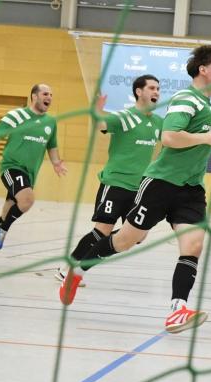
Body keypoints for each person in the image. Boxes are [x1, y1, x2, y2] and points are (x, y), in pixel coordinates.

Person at [59, 45, 211, 335]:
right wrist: (207, 138)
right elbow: (171, 137)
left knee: (194, 246)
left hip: (191, 189)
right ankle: (77, 271)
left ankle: (177, 309)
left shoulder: (205, 106)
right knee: (126, 240)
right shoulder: (186, 98)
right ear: (204, 69)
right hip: (161, 184)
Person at [57, 75, 163, 282]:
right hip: (116, 183)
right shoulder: (124, 117)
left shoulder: (159, 122)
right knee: (102, 230)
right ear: (139, 92)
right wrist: (96, 111)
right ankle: (68, 268)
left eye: (158, 88)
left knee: (138, 236)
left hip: (139, 187)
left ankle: (88, 258)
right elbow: (100, 124)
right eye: (152, 87)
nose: (157, 92)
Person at [0, 83, 68, 265]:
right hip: (11, 167)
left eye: (51, 94)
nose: (49, 97)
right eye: (45, 93)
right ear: (34, 96)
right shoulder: (16, 115)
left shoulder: (50, 122)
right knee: (27, 200)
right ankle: (4, 229)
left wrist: (56, 162)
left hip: (30, 174)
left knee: (7, 212)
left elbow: (52, 146)